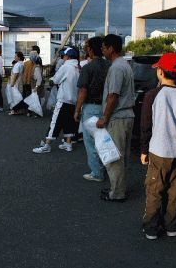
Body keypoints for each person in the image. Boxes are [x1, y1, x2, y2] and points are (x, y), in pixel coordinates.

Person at [140, 53, 176, 240]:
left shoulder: (152, 95)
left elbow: (146, 125)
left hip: (159, 150)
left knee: (154, 190)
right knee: (173, 190)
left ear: (160, 72)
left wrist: (144, 150)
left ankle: (151, 228)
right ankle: (172, 227)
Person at [97, 34, 135, 202]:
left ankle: (117, 193)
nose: (103, 51)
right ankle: (117, 188)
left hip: (118, 117)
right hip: (126, 115)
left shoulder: (116, 68)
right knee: (121, 156)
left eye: (104, 47)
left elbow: (113, 95)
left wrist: (105, 117)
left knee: (114, 157)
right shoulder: (124, 64)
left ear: (111, 48)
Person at [74, 36, 110, 182]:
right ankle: (107, 168)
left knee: (91, 142)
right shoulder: (109, 66)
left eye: (86, 46)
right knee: (105, 140)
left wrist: (77, 110)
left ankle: (97, 172)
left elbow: (83, 91)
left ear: (90, 49)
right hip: (107, 106)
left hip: (91, 107)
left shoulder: (88, 68)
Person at [32, 47, 80, 153]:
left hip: (64, 99)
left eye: (64, 55)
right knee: (69, 122)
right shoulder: (78, 67)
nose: (63, 57)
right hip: (74, 100)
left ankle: (46, 145)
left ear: (68, 56)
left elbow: (56, 80)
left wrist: (51, 79)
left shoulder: (66, 66)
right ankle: (68, 144)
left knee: (55, 122)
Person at [8, 52, 26, 116]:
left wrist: (12, 83)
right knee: (20, 95)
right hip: (21, 81)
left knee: (16, 97)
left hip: (16, 82)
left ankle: (16, 110)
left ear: (19, 57)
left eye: (15, 56)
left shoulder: (17, 64)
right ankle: (20, 110)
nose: (14, 57)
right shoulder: (22, 64)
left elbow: (15, 74)